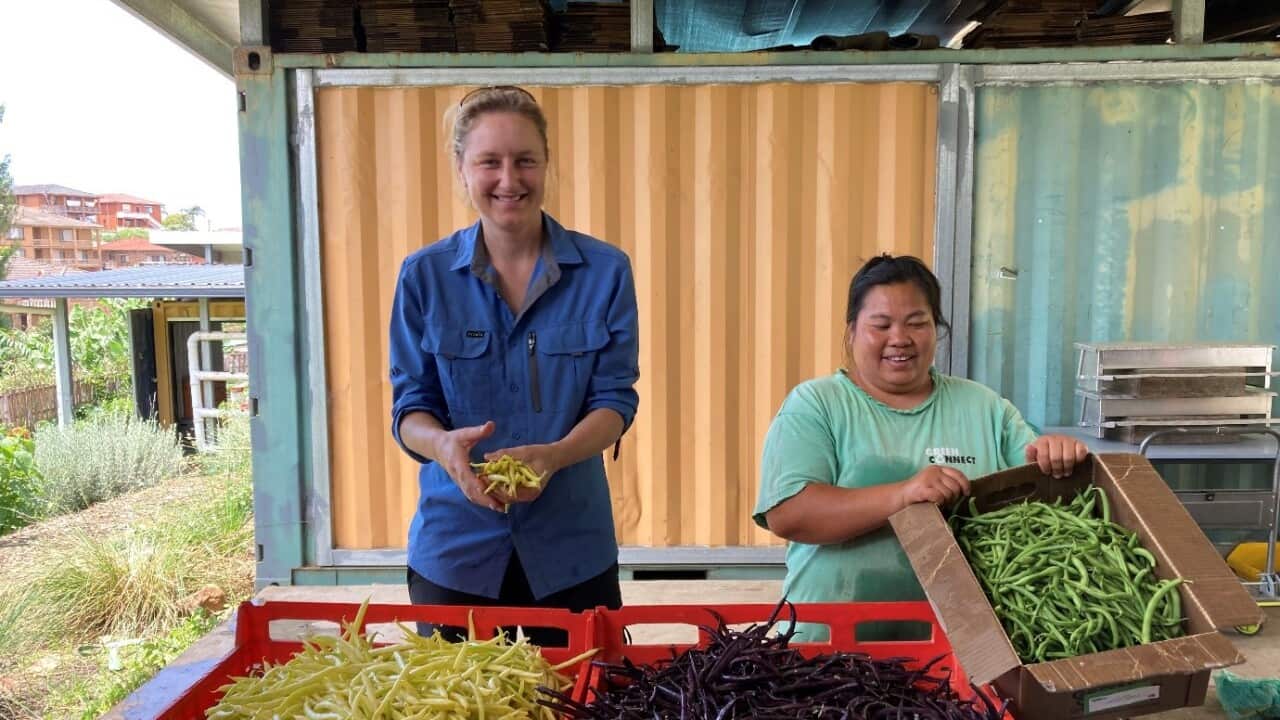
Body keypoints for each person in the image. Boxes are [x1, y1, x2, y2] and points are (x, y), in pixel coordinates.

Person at [388, 86, 639, 645]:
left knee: (579, 699)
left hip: (572, 551)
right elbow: (411, 407)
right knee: (456, 705)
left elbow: (615, 400)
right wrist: (444, 447)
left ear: (546, 163)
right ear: (462, 169)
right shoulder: (424, 276)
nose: (509, 179)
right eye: (489, 162)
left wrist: (554, 455)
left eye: (525, 160)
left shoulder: (605, 272)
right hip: (456, 553)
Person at [753, 254, 1087, 640]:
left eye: (917, 324)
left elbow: (1040, 482)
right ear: (851, 333)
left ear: (936, 329)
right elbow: (788, 513)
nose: (900, 339)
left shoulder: (983, 406)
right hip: (830, 649)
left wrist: (1055, 454)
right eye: (881, 325)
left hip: (962, 653)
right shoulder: (817, 404)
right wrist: (904, 494)